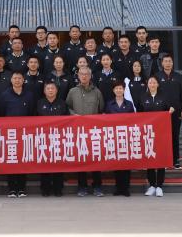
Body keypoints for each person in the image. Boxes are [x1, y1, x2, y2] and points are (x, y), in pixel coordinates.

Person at [0, 70, 36, 198]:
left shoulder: (29, 95)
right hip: (10, 133)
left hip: (24, 133)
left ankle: (22, 188)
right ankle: (12, 188)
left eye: (19, 78)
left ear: (23, 80)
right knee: (11, 160)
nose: (17, 80)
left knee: (22, 159)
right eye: (15, 78)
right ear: (11, 80)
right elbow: (1, 112)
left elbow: (32, 112)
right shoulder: (4, 95)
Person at [66, 67, 104, 197]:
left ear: (90, 76)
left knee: (95, 158)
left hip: (94, 131)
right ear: (78, 76)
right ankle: (82, 186)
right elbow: (68, 107)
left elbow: (101, 109)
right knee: (81, 158)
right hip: (78, 131)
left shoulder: (97, 92)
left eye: (86, 74)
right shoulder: (73, 91)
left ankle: (97, 186)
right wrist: (74, 115)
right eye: (82, 74)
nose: (84, 76)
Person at [140, 75, 172, 197]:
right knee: (150, 158)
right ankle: (152, 185)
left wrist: (171, 110)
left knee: (160, 159)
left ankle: (159, 186)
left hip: (161, 132)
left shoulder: (164, 97)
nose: (152, 84)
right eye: (150, 82)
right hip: (148, 132)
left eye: (154, 82)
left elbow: (170, 108)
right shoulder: (143, 97)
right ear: (147, 85)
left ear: (157, 84)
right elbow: (139, 113)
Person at [36, 82, 68, 197]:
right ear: (44, 91)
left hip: (58, 137)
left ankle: (58, 188)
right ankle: (45, 188)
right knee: (45, 162)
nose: (50, 90)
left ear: (56, 91)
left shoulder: (62, 103)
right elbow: (34, 119)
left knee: (58, 162)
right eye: (48, 88)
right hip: (43, 137)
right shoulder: (39, 103)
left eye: (52, 88)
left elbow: (67, 120)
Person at [104, 80, 136, 197]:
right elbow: (105, 119)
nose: (118, 90)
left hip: (126, 136)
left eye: (120, 88)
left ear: (123, 90)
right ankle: (118, 188)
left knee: (126, 163)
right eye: (116, 88)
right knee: (117, 163)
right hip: (114, 136)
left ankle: (126, 188)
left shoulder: (129, 104)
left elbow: (133, 120)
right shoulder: (109, 104)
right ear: (113, 90)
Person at [157, 53, 182, 170]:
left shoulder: (178, 76)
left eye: (170, 61)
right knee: (162, 137)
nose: (168, 63)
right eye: (166, 61)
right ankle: (164, 159)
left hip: (176, 112)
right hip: (162, 112)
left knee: (175, 136)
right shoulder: (157, 76)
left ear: (172, 63)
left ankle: (175, 160)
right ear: (162, 63)